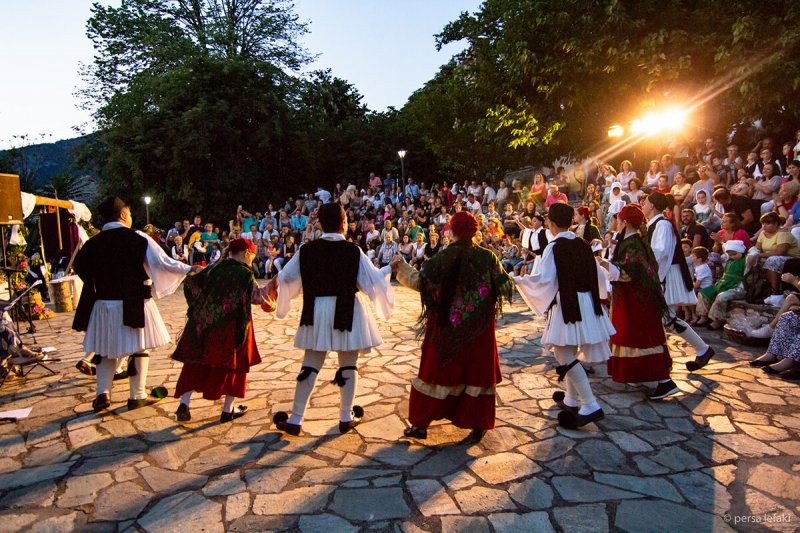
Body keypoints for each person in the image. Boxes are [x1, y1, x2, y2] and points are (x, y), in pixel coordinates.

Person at [267, 203, 394, 436]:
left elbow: (286, 278)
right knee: (348, 363)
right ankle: (346, 416)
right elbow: (372, 283)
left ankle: (296, 418)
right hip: (347, 308)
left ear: (320, 224)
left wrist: (276, 294)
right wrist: (389, 270)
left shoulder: (306, 249)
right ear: (344, 224)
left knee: (311, 363)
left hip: (315, 310)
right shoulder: (353, 250)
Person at [392, 211, 513, 440]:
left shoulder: (442, 257)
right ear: (475, 231)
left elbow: (421, 282)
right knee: (476, 372)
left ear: (453, 230)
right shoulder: (488, 258)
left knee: (436, 371)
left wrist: (403, 268)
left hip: (447, 327)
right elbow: (506, 287)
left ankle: (420, 424)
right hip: (479, 328)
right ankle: (479, 423)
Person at [72, 196, 195, 413]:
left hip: (103, 303)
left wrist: (101, 282)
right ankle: (137, 395)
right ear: (122, 215)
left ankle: (103, 393)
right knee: (139, 347)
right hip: (134, 300)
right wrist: (187, 269)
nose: (130, 217)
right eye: (129, 214)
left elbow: (80, 267)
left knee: (105, 348)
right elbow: (161, 261)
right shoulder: (137, 238)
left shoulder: (93, 243)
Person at [514, 203, 615, 428]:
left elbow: (545, 280)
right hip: (587, 302)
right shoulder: (582, 244)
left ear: (550, 222)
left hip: (568, 304)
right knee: (568, 351)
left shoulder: (554, 246)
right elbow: (598, 274)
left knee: (563, 353)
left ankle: (590, 404)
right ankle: (570, 399)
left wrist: (520, 281)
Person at [172, 238, 274, 422]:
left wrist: (200, 309)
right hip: (233, 325)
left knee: (195, 361)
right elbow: (257, 298)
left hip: (205, 322)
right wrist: (274, 288)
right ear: (246, 254)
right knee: (235, 365)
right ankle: (228, 409)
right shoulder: (244, 273)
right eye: (251, 255)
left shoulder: (214, 268)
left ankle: (184, 404)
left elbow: (192, 284)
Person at [600, 204, 674, 398]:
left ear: (624, 222)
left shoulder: (632, 242)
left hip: (636, 298)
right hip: (633, 296)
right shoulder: (632, 240)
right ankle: (638, 374)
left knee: (639, 335)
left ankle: (664, 381)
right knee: (631, 334)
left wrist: (602, 262)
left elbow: (629, 272)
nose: (614, 223)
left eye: (616, 219)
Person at [642, 192, 715, 372]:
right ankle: (695, 350)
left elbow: (661, 252)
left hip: (666, 274)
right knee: (664, 318)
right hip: (661, 273)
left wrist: (645, 267)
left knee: (665, 317)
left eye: (645, 202)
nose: (642, 205)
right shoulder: (655, 225)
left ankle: (699, 350)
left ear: (651, 205)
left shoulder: (663, 224)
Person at [695, 240, 747, 330]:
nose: (732, 257)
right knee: (703, 293)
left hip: (737, 286)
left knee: (721, 297)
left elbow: (754, 253)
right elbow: (724, 246)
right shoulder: (729, 260)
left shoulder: (746, 261)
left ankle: (717, 320)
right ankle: (704, 316)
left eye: (734, 254)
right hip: (723, 283)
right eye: (730, 255)